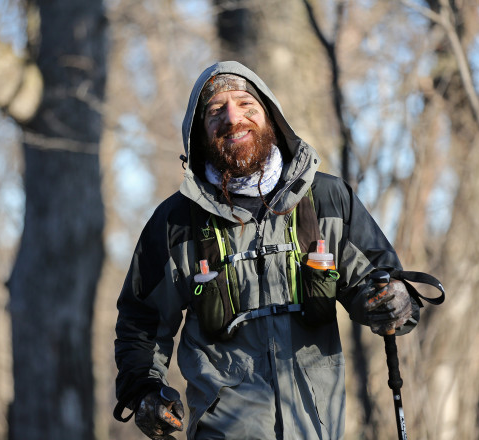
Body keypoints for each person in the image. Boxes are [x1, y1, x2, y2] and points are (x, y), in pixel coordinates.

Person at [113, 61, 419, 440]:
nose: (232, 118)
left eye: (246, 105)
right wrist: (142, 389)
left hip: (318, 429)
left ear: (270, 116)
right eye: (215, 111)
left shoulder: (326, 199)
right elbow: (140, 320)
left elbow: (380, 283)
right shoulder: (176, 222)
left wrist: (394, 300)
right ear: (199, 133)